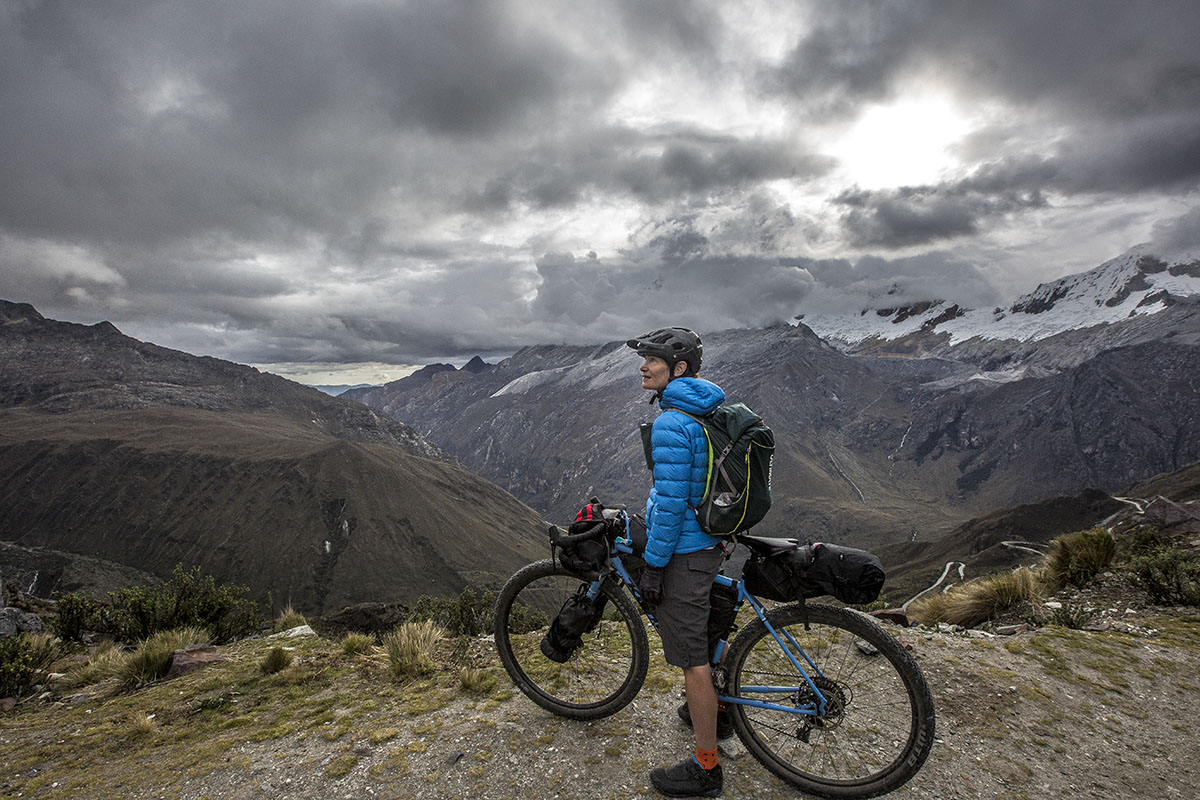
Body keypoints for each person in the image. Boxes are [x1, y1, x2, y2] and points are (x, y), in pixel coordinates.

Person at [626, 326, 729, 798]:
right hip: (710, 539)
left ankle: (706, 767)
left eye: (652, 360)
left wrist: (653, 564)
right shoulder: (706, 408)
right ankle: (717, 715)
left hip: (685, 550)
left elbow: (669, 504)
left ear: (679, 369)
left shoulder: (672, 421)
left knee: (692, 661)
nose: (643, 367)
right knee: (707, 637)